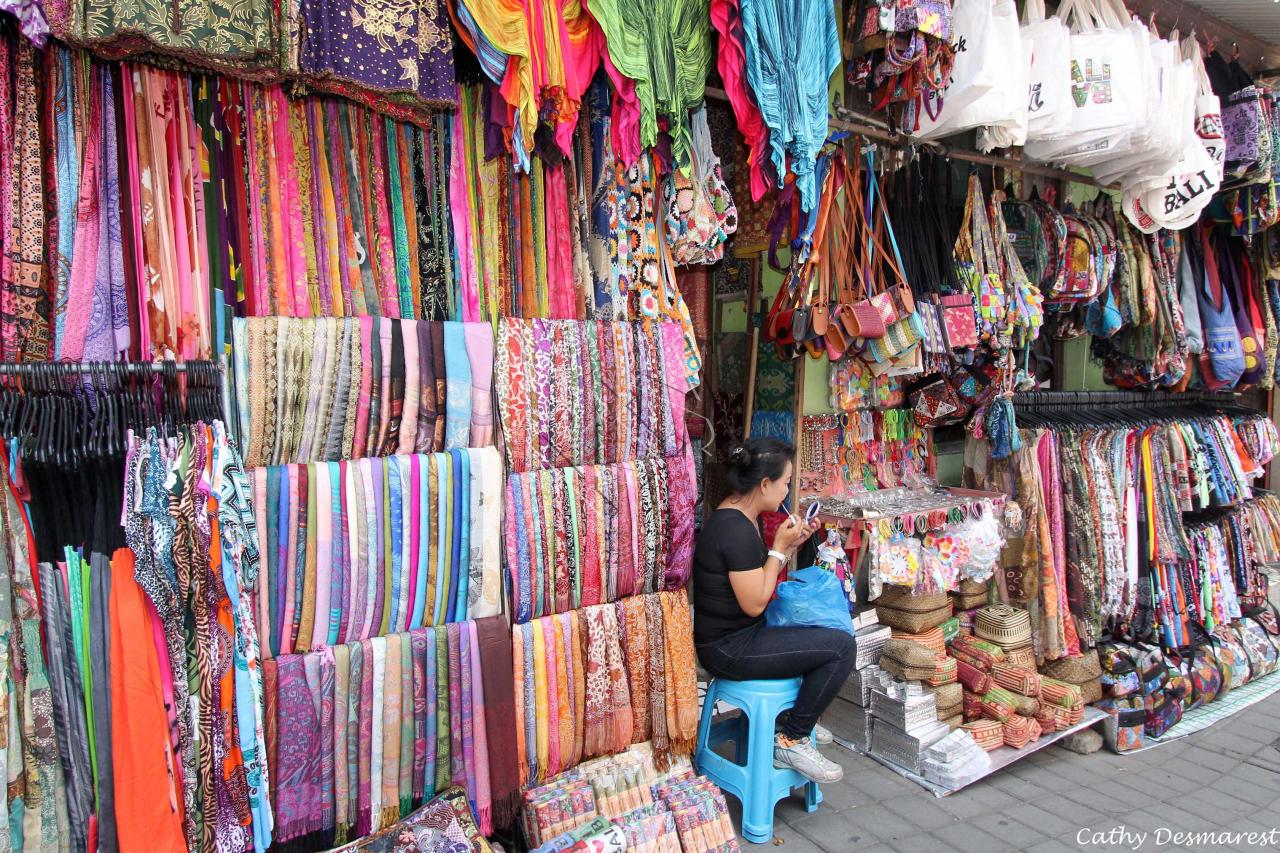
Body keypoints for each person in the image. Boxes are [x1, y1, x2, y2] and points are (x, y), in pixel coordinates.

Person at [693, 437, 856, 783]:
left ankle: (798, 717)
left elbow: (757, 583)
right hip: (729, 649)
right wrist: (778, 549)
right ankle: (792, 737)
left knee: (822, 631)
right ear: (764, 483)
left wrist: (790, 545)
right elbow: (754, 604)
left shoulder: (740, 516)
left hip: (740, 636)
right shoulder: (734, 529)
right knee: (841, 648)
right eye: (784, 483)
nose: (786, 492)